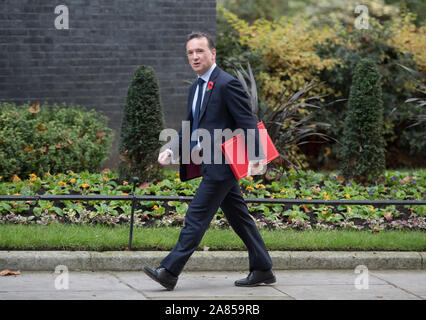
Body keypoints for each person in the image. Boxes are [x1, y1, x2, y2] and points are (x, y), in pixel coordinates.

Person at [142, 32, 275, 291]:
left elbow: (247, 120)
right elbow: (192, 124)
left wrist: (258, 156)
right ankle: (263, 268)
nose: (194, 56)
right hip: (209, 162)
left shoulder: (226, 83)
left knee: (196, 215)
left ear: (213, 54)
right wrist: (172, 148)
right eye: (190, 52)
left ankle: (169, 271)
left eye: (200, 51)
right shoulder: (195, 87)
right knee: (239, 218)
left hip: (223, 165)